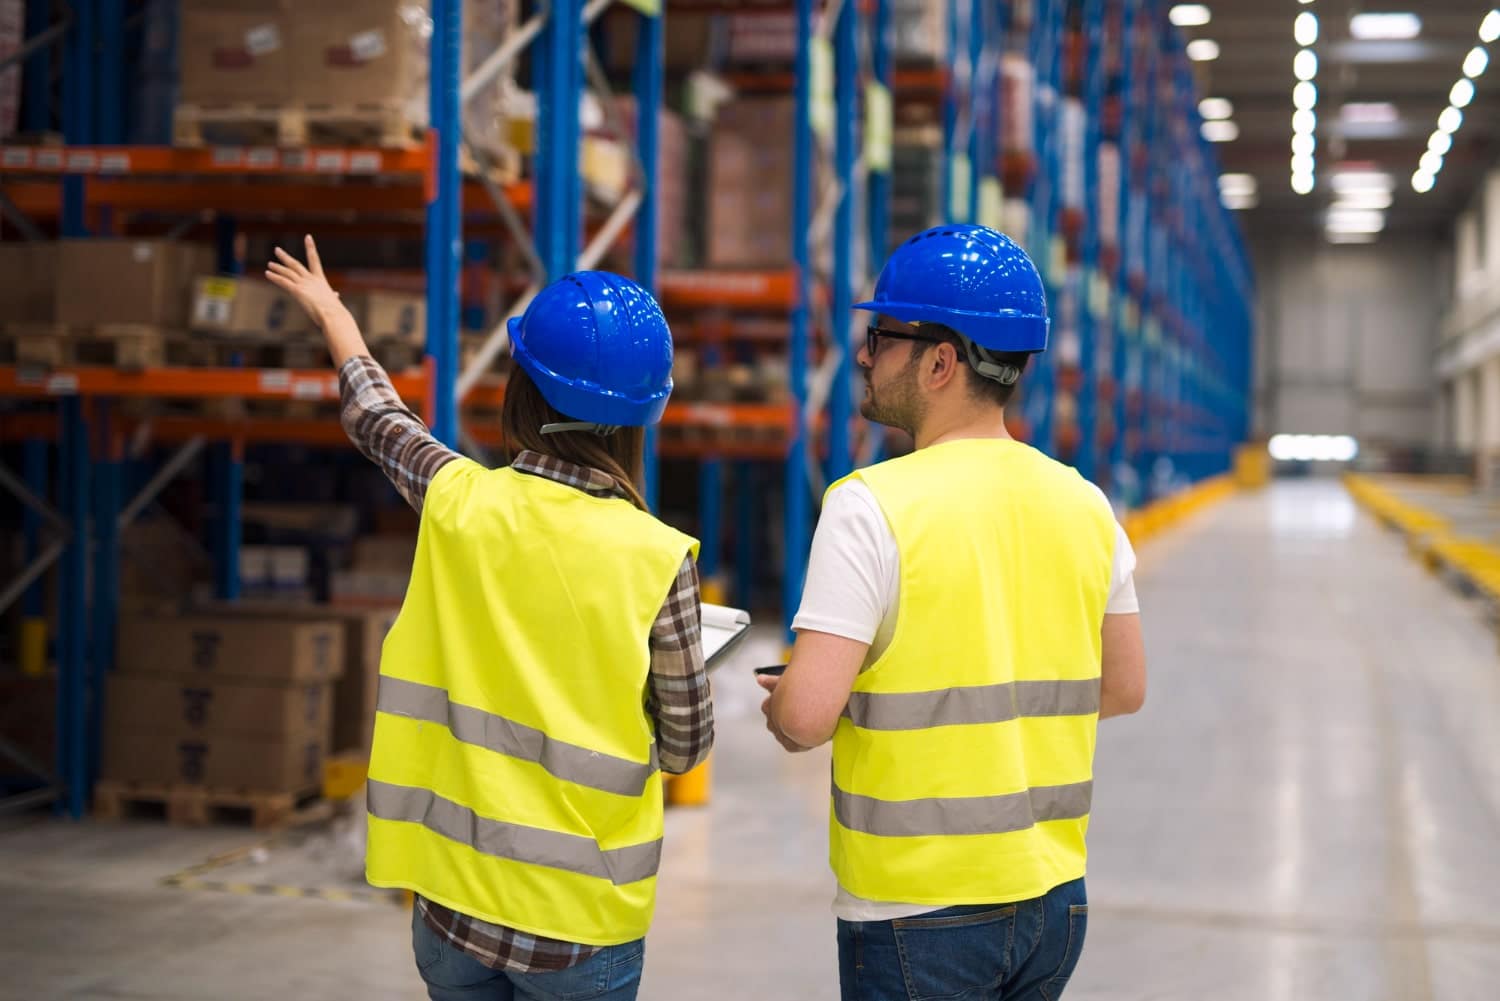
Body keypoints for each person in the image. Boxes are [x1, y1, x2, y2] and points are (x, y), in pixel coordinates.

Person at [268, 237, 712, 1001]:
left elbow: (377, 418)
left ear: (522, 390)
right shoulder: (658, 557)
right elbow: (684, 746)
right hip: (579, 922)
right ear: (644, 415)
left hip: (453, 905)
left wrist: (335, 315)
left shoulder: (458, 500)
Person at [757, 224, 1147, 1001]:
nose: (865, 357)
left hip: (917, 907)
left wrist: (803, 695)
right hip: (1052, 900)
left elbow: (803, 718)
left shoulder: (871, 506)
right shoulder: (1086, 504)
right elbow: (1124, 686)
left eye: (881, 338)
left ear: (941, 363)